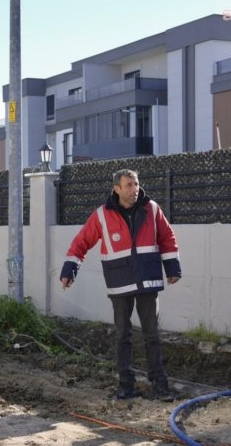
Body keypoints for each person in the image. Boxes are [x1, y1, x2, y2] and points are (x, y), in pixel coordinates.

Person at [60, 169, 181, 401]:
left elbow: (167, 237)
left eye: (136, 184)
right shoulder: (102, 215)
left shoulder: (152, 209)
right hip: (120, 283)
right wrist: (70, 269)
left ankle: (159, 383)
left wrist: (172, 267)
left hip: (148, 281)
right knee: (122, 335)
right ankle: (126, 384)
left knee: (152, 334)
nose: (134, 189)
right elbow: (82, 241)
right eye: (128, 185)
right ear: (117, 189)